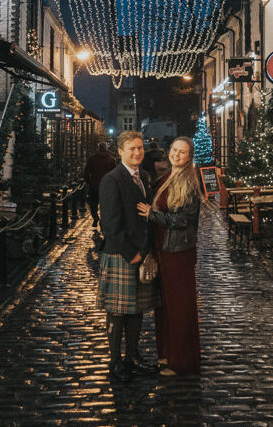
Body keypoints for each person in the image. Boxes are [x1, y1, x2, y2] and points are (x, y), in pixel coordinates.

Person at [137, 136, 201, 376]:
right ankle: (166, 353)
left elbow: (182, 220)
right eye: (174, 150)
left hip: (178, 252)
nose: (176, 155)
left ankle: (182, 361)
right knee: (163, 306)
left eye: (182, 152)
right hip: (163, 249)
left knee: (179, 307)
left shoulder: (190, 183)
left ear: (189, 157)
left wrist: (152, 215)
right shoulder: (166, 178)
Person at [97, 131, 155, 383]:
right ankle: (115, 362)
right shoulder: (112, 180)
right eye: (131, 148)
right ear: (120, 151)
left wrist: (146, 250)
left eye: (140, 148)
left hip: (141, 252)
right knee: (118, 311)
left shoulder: (144, 176)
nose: (137, 152)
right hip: (121, 254)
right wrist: (131, 253)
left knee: (136, 310)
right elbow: (109, 223)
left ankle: (133, 356)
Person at [84, 142, 116, 227]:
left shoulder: (92, 159)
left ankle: (95, 217)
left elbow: (87, 172)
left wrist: (89, 182)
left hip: (94, 185)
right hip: (107, 187)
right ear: (106, 149)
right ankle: (103, 220)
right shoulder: (111, 159)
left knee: (93, 204)